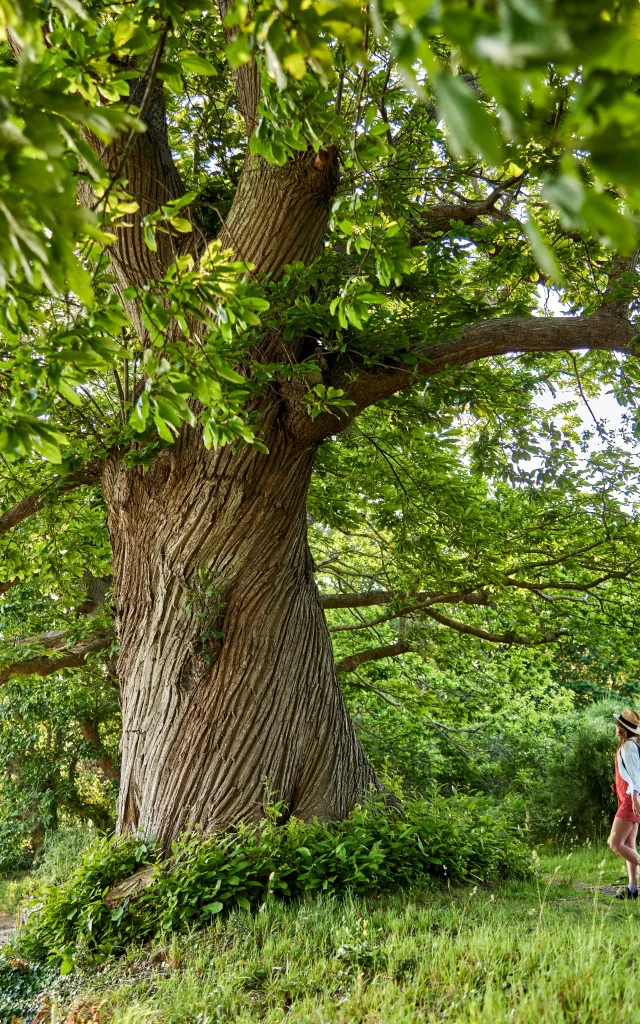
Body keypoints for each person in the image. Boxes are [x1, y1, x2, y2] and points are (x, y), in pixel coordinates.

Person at [608, 709, 640, 899]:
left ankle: (633, 888)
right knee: (629, 843)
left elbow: (636, 775)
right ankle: (633, 889)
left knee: (615, 843)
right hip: (631, 798)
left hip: (631, 800)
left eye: (618, 724)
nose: (616, 726)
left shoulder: (628, 747)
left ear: (622, 728)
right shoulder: (631, 745)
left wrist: (635, 797)